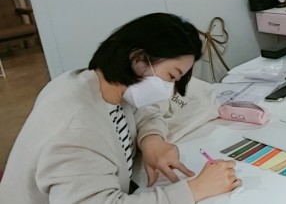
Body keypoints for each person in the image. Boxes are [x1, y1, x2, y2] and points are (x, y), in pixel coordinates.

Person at [0, 13, 241, 204]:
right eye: (170, 76)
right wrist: (193, 190)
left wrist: (151, 139)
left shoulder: (101, 84)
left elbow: (144, 111)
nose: (169, 89)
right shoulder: (78, 129)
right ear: (138, 60)